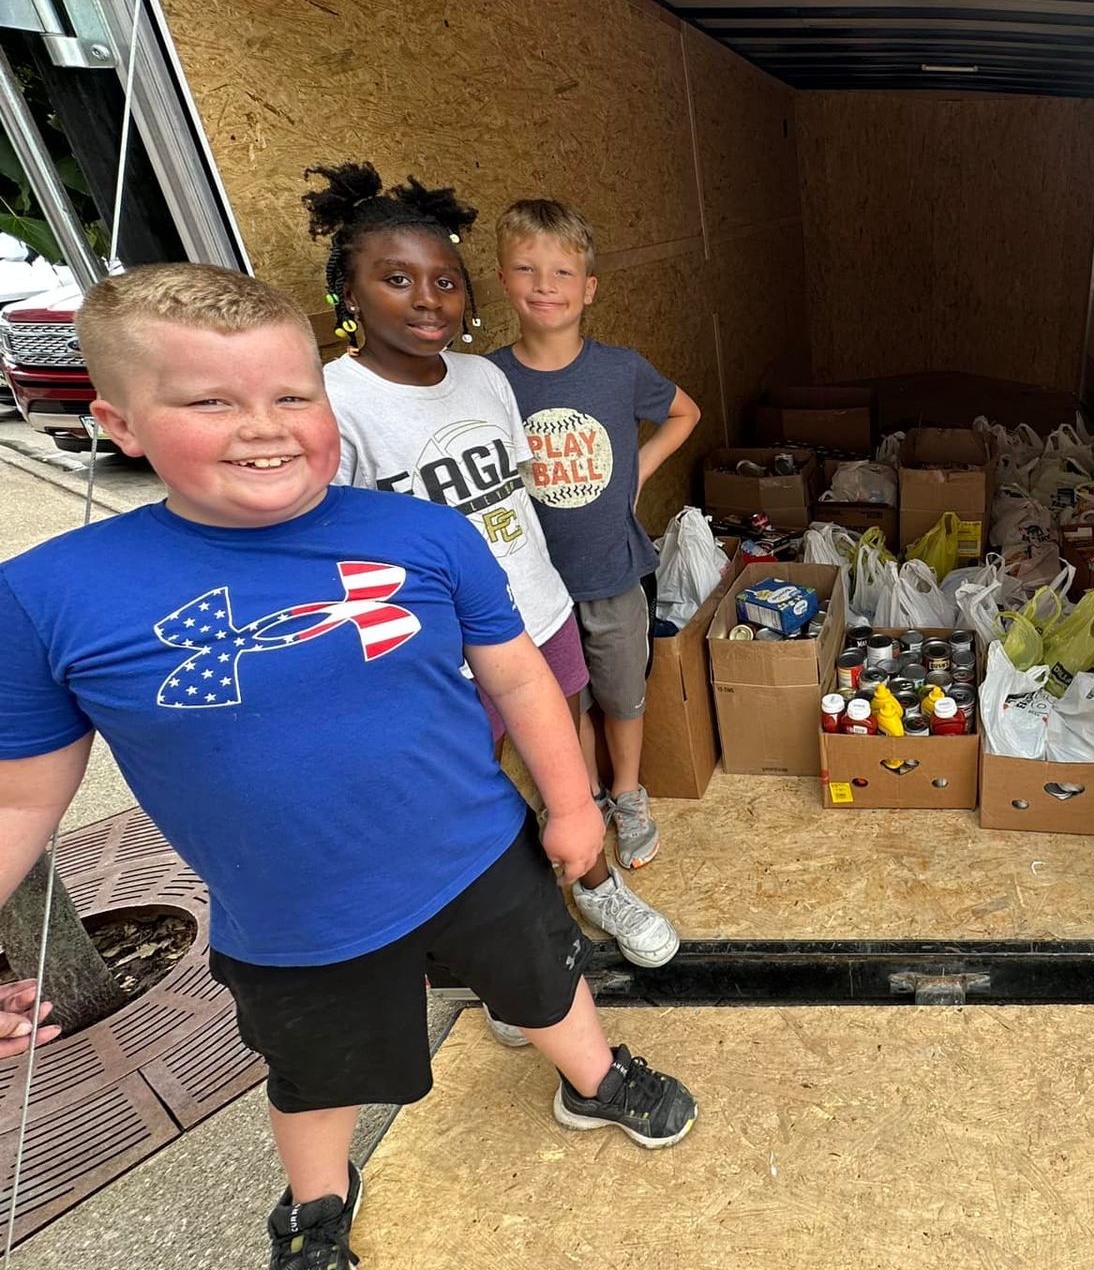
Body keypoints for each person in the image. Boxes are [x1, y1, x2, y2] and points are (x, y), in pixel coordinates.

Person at [0, 264, 697, 1270]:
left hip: (478, 856)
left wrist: (574, 808)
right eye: (210, 401)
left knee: (547, 981)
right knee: (317, 1074)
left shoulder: (421, 534)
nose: (265, 425)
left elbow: (521, 681)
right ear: (119, 422)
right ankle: (317, 1205)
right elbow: (22, 795)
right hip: (292, 912)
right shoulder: (46, 596)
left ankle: (593, 1079)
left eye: (294, 395)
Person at [305, 164, 679, 982]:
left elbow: (516, 494)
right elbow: (326, 542)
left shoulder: (484, 380)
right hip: (439, 642)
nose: (428, 298)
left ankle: (596, 884)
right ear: (349, 293)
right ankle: (521, 945)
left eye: (445, 280)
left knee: (566, 759)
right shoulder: (333, 401)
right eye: (396, 279)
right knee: (470, 786)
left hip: (537, 611)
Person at [486, 198, 702, 873]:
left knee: (621, 694)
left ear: (589, 288)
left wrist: (641, 463)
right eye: (527, 269)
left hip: (612, 571)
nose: (545, 285)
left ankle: (627, 795)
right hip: (535, 586)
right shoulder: (489, 379)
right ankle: (576, 800)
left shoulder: (619, 370)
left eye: (561, 272)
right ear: (502, 280)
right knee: (559, 700)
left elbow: (685, 412)